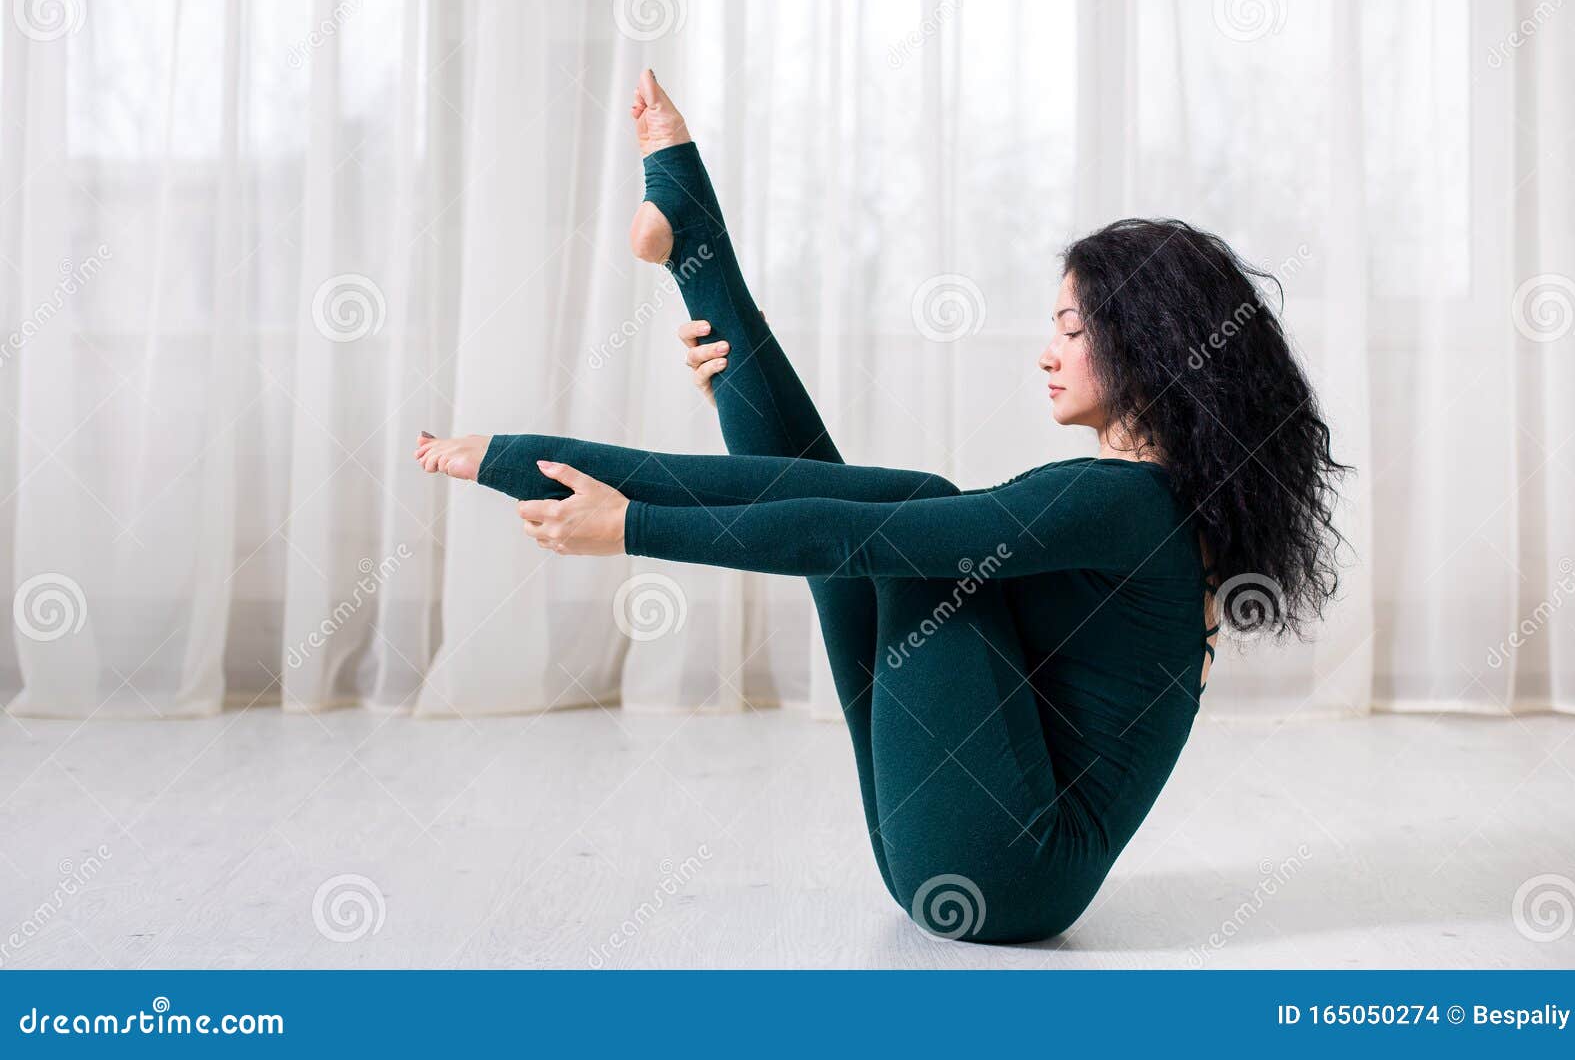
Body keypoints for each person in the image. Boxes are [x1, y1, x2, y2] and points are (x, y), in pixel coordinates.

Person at [414, 70, 1347, 944]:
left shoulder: (1127, 504)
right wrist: (720, 421)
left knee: (910, 523)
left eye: (1070, 328)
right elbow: (852, 524)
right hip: (979, 855)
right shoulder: (1150, 503)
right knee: (889, 524)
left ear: (1146, 344)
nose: (1047, 352)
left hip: (1003, 870)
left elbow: (874, 528)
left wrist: (633, 526)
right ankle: (693, 248)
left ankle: (652, 300)